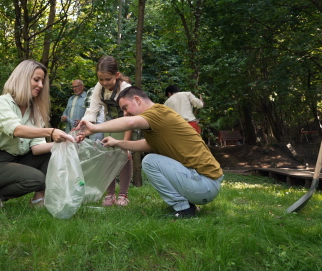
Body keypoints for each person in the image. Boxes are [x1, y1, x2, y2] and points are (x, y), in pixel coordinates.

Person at [75, 86, 224, 218]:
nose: (125, 114)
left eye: (126, 108)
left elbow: (131, 123)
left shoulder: (156, 113)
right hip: (206, 184)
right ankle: (188, 205)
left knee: (149, 161)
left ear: (137, 100)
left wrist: (94, 128)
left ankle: (184, 209)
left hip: (205, 185)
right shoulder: (159, 116)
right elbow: (147, 144)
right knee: (152, 157)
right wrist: (118, 143)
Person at [0, 60, 75, 208]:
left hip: (12, 161)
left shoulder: (34, 110)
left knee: (54, 151)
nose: (40, 85)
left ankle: (38, 200)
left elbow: (37, 148)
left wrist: (67, 141)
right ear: (22, 79)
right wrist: (51, 131)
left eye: (42, 81)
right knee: (36, 179)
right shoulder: (3, 103)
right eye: (36, 80)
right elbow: (17, 130)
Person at [82, 55, 133, 207]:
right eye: (101, 79)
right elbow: (92, 110)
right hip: (109, 124)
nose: (104, 83)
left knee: (124, 157)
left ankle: (123, 195)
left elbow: (130, 119)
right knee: (107, 157)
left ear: (117, 76)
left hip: (126, 125)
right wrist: (83, 128)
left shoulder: (126, 89)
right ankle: (110, 194)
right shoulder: (100, 88)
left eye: (108, 79)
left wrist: (126, 143)